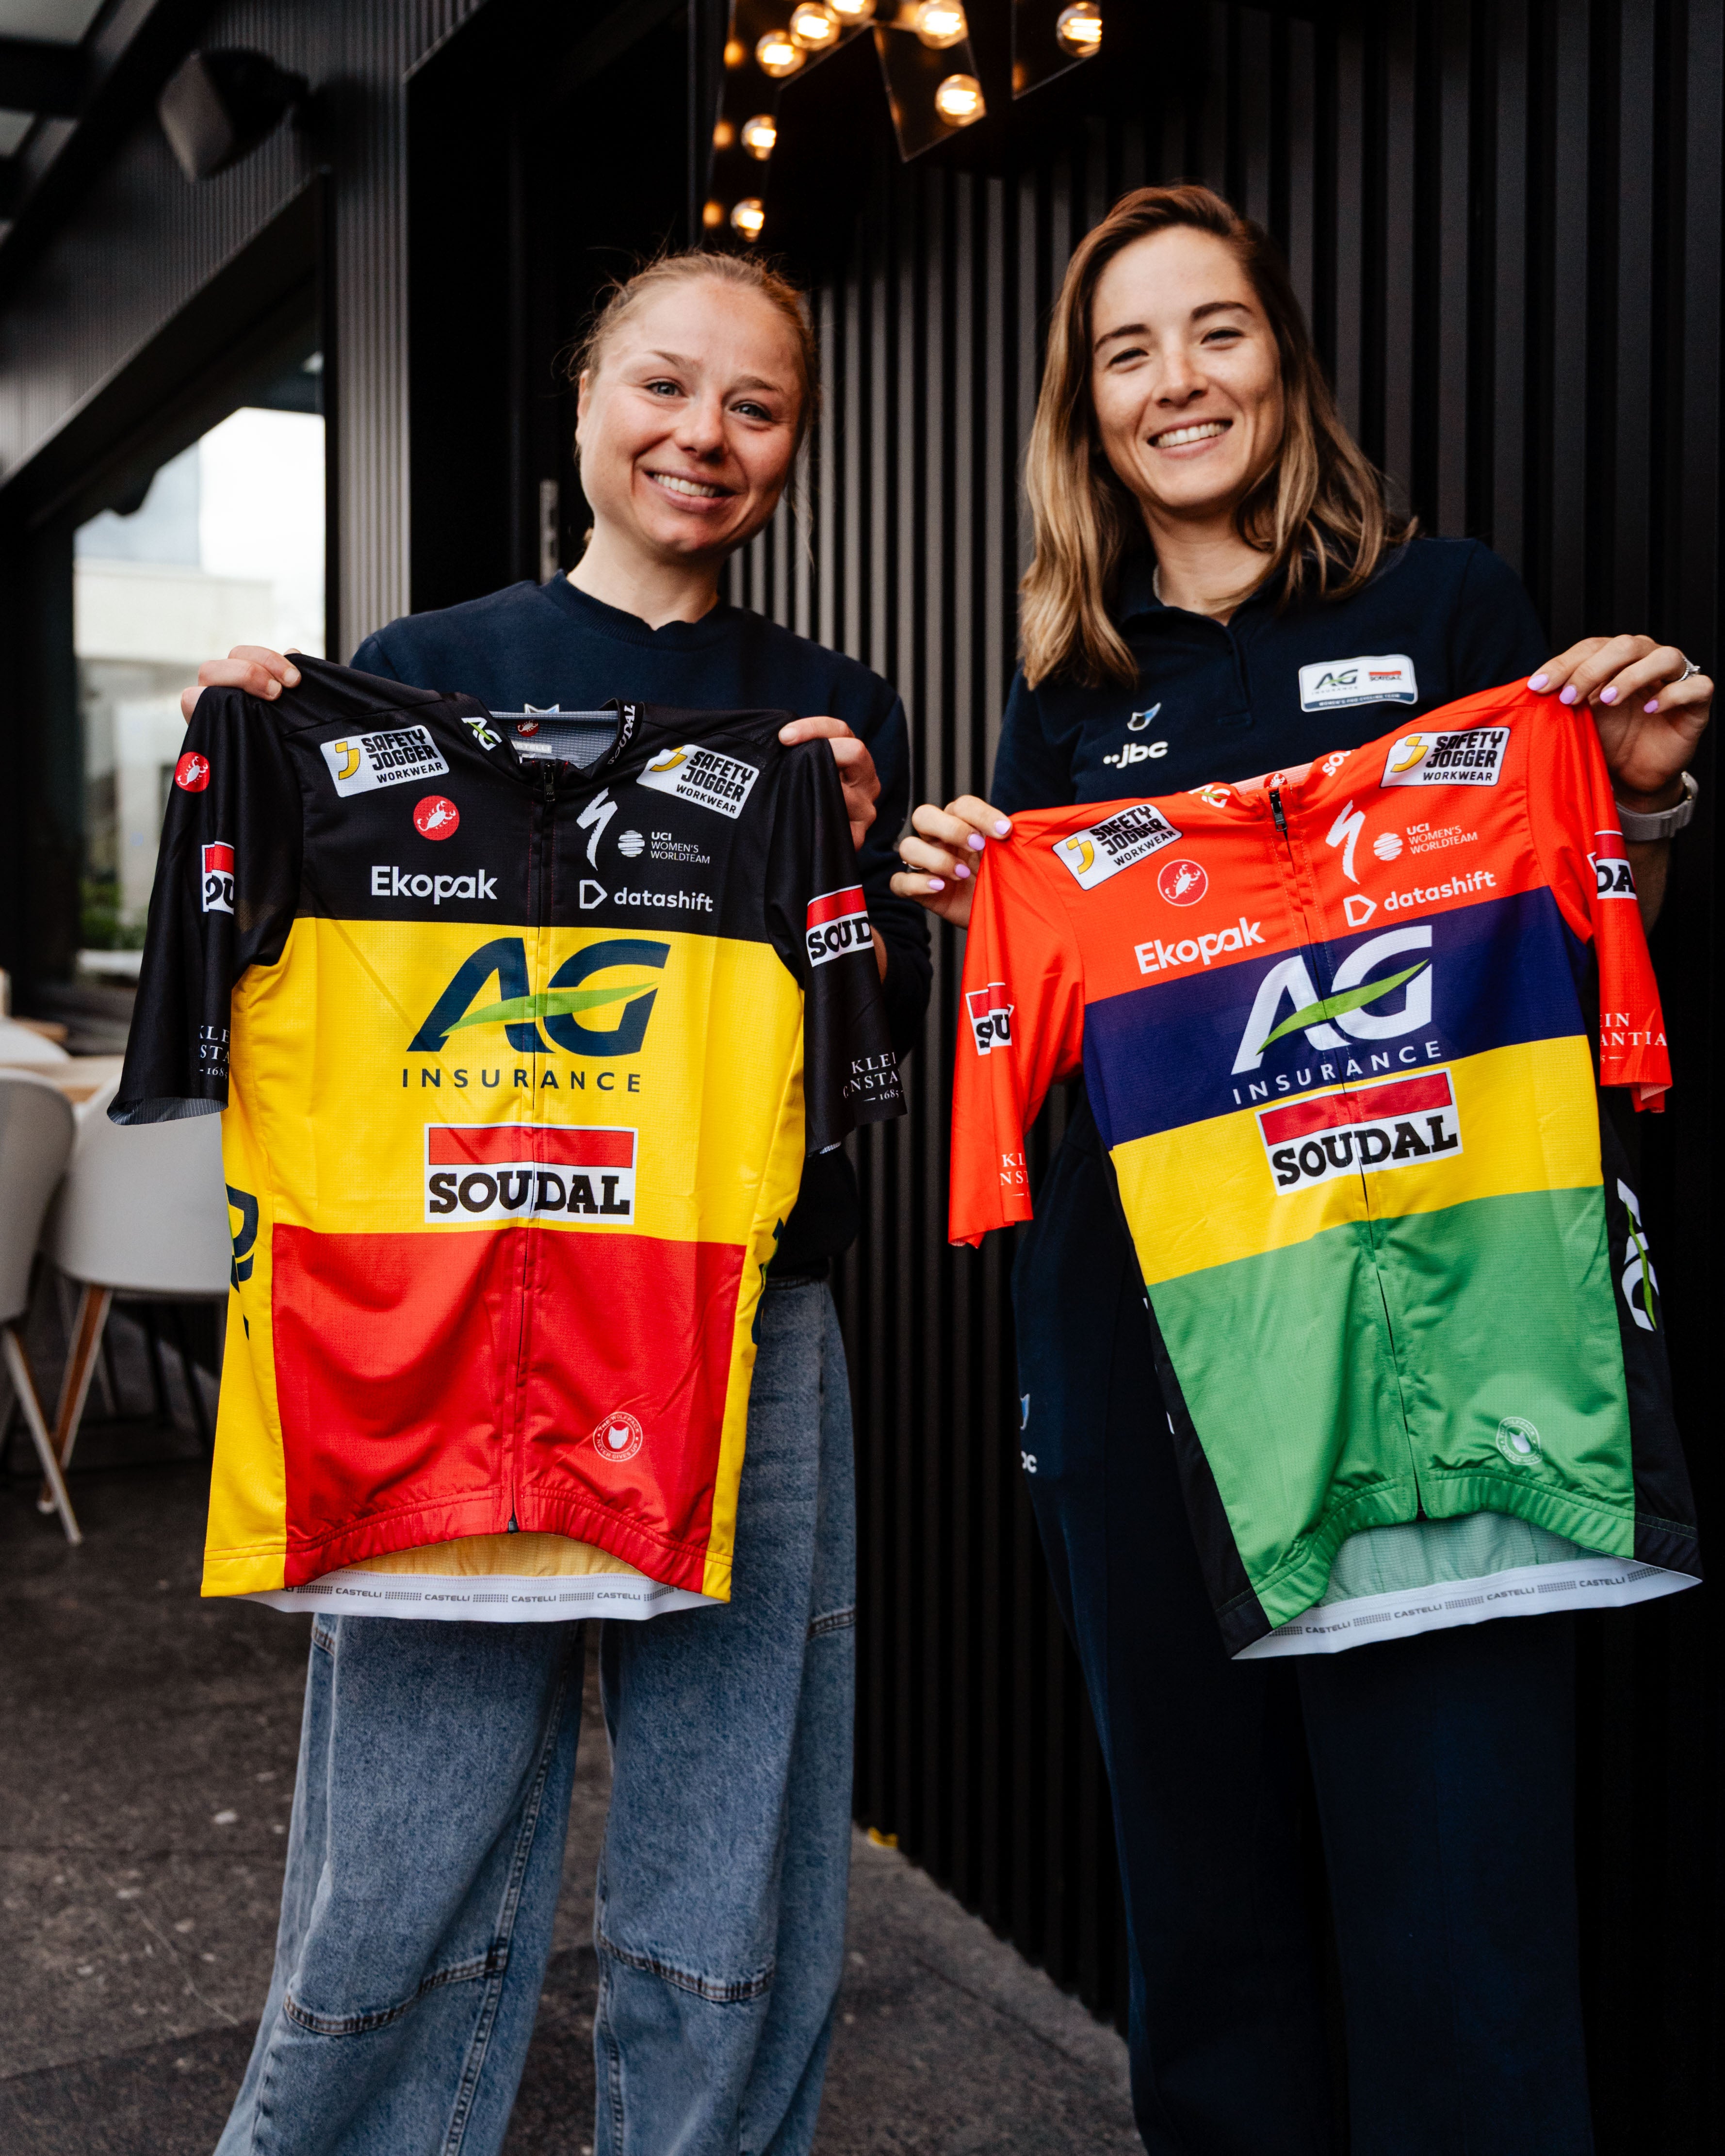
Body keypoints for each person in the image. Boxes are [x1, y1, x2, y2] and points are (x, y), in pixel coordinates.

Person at [893, 184, 1708, 2156]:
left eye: (1217, 331)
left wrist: (1645, 797)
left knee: (1462, 1907)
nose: (1178, 381)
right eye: (1128, 351)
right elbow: (1054, 1050)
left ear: (1284, 360)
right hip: (1154, 1350)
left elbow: (1575, 932)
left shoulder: (1451, 611)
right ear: (1085, 413)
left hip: (1446, 1336)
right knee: (1210, 1912)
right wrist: (977, 926)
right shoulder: (1066, 699)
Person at [181, 249, 930, 2156]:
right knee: (403, 1840)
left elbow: (873, 1047)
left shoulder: (831, 712)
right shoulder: (415, 668)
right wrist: (247, 759)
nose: (704, 436)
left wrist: (854, 875)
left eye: (755, 406)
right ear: (586, 398)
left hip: (740, 1321)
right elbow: (275, 956)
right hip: (444, 1318)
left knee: (731, 1842)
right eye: (664, 385)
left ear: (795, 446)